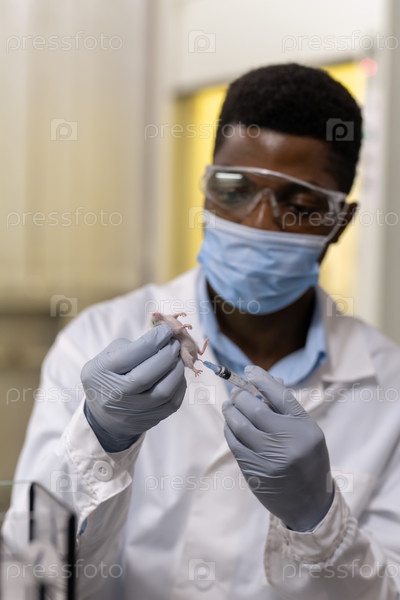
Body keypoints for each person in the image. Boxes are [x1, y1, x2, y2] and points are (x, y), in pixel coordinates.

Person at [7, 63, 400, 599]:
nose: (259, 222)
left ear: (339, 222)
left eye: (299, 206)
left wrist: (320, 520)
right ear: (208, 189)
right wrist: (99, 442)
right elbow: (31, 577)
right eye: (235, 189)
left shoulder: (388, 390)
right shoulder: (96, 339)